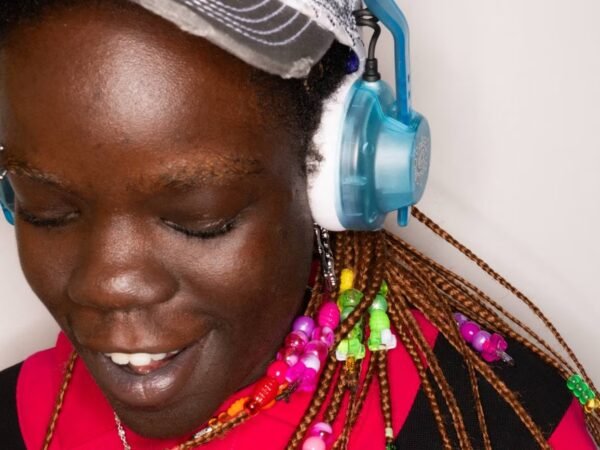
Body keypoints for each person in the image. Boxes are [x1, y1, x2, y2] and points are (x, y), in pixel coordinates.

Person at [0, 1, 597, 449]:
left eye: (201, 220)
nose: (108, 284)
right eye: (47, 211)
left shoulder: (500, 424)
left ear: (339, 177)